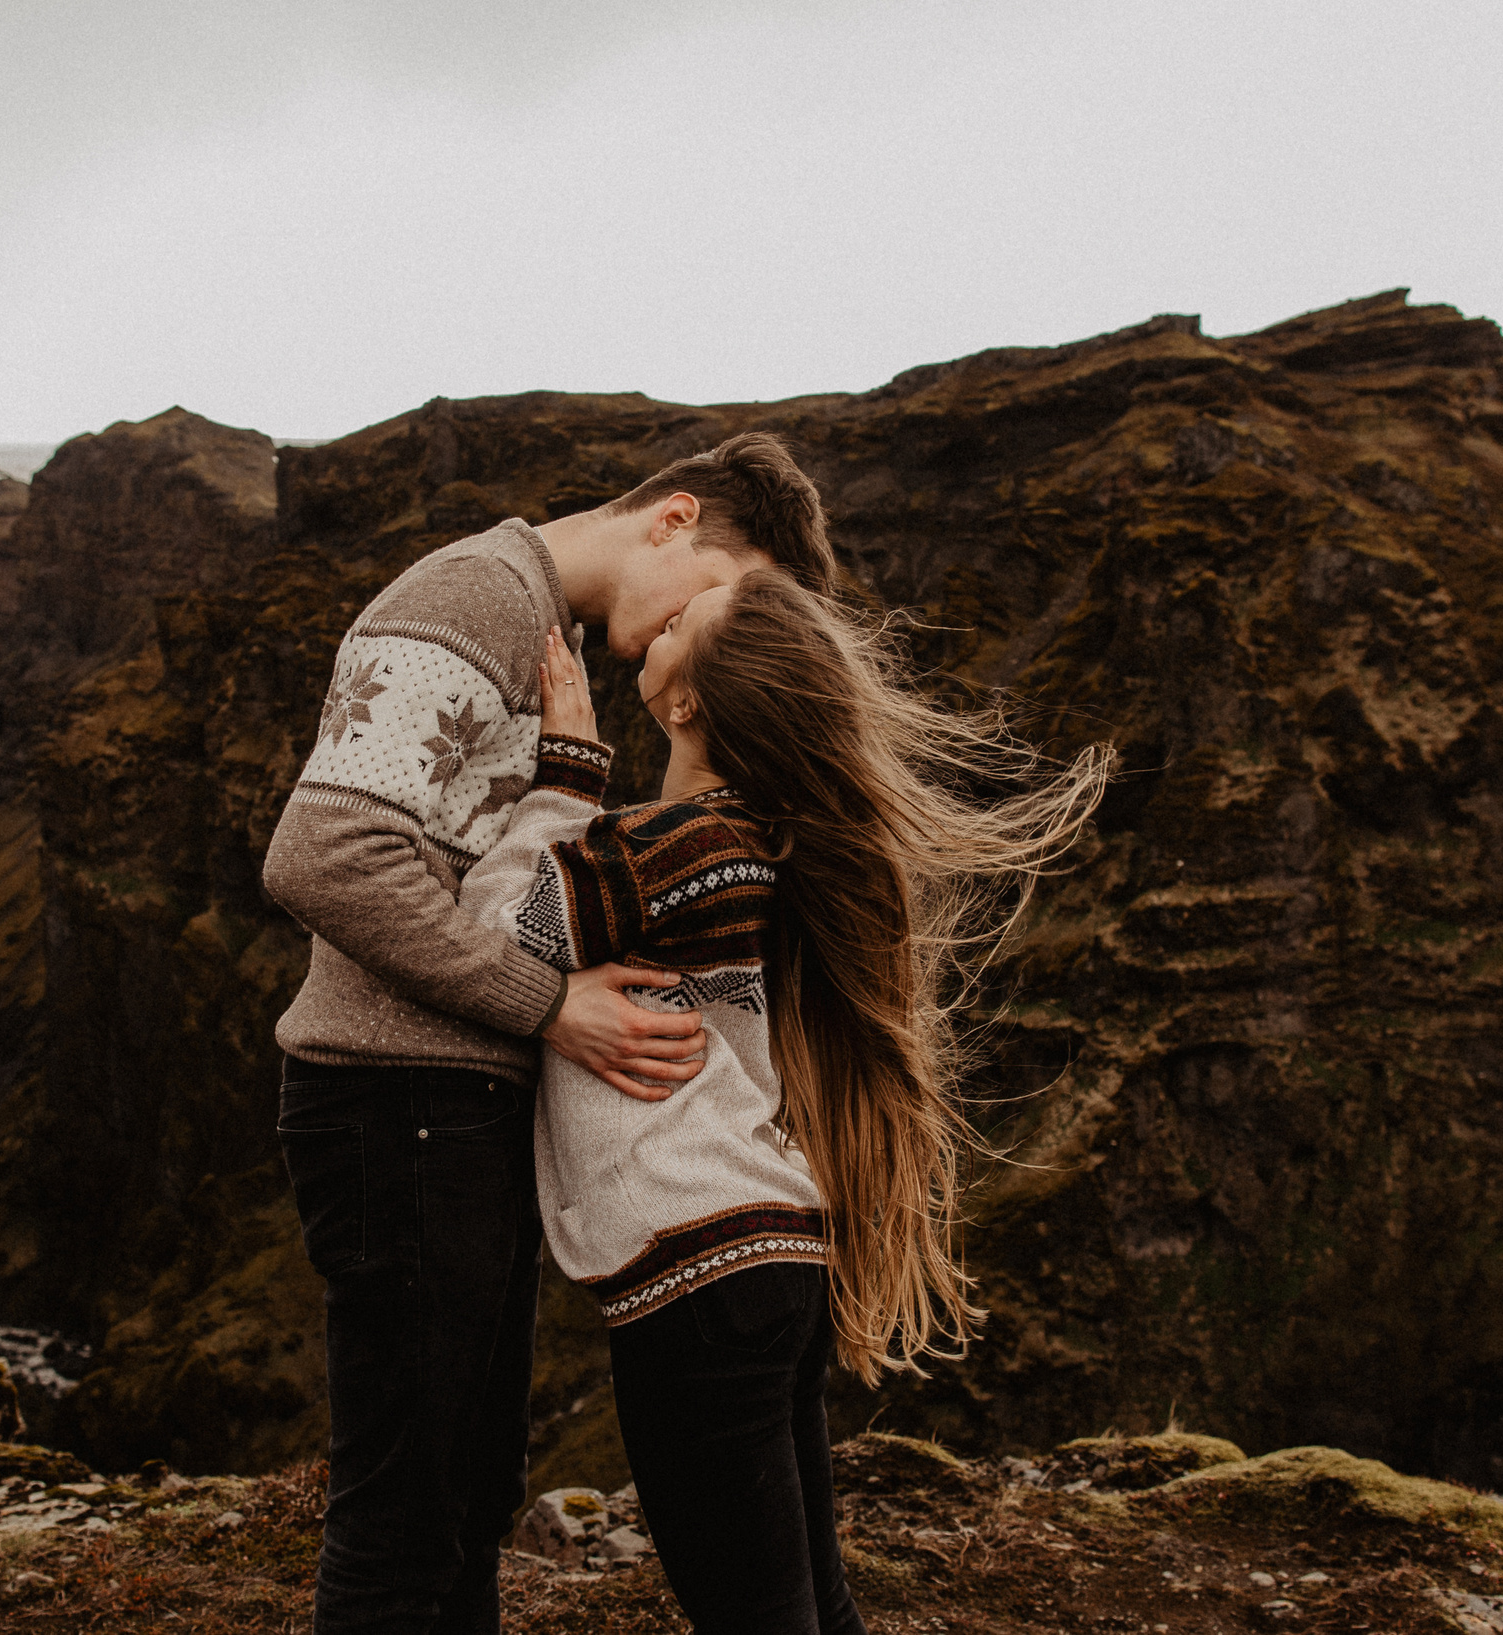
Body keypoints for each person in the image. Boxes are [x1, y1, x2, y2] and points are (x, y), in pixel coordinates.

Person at [260, 434, 839, 1633]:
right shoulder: (477, 594)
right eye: (722, 593)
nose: (711, 630)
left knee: (470, 1501)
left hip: (454, 1113)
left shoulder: (549, 634)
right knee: (408, 1516)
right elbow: (323, 855)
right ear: (672, 520)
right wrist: (551, 1004)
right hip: (395, 1105)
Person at [458, 572, 1112, 1633]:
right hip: (761, 1267)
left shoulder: (668, 850)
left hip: (700, 1282)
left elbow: (483, 936)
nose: (659, 618)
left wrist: (566, 775)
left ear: (685, 705)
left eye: (679, 626)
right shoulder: (739, 846)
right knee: (808, 1607)